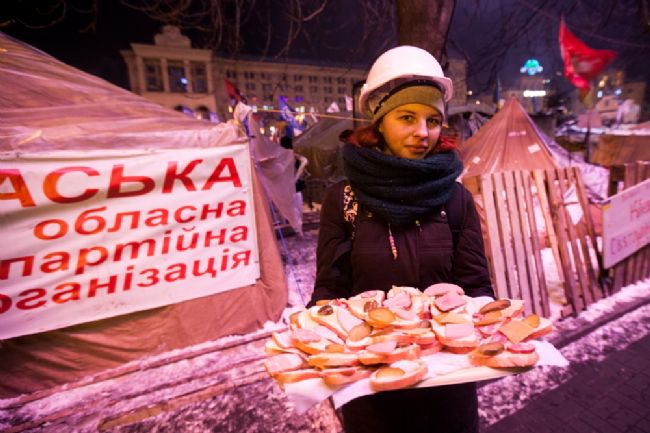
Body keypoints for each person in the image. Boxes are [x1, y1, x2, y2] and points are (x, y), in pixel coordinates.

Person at [307, 46, 494, 433]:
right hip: (373, 390)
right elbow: (329, 292)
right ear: (379, 123)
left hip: (447, 390)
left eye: (433, 120)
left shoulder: (455, 199)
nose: (422, 133)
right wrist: (317, 342)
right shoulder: (344, 201)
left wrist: (490, 331)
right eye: (407, 118)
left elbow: (475, 287)